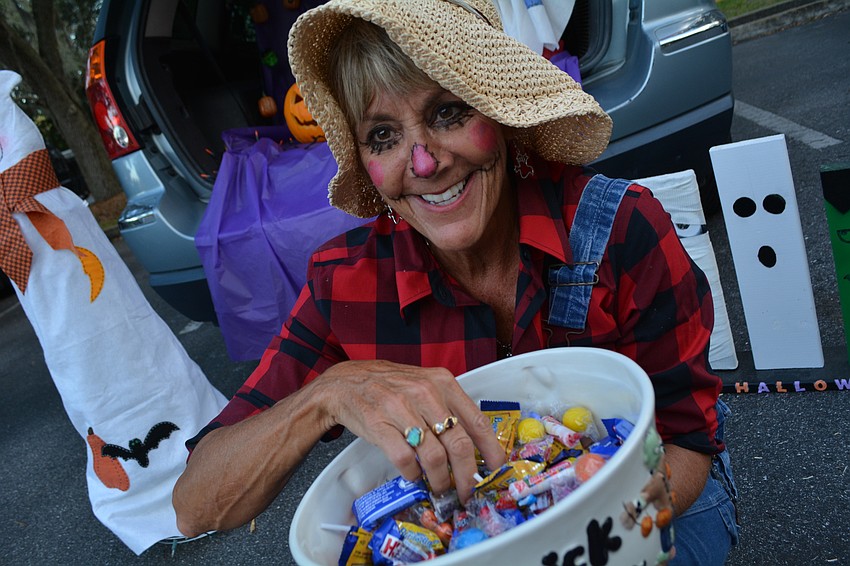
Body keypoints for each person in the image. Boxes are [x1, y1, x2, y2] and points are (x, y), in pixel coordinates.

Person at [173, 0, 739, 562]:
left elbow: (686, 443)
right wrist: (326, 395)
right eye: (383, 136)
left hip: (654, 501)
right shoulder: (342, 284)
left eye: (448, 113)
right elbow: (198, 503)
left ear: (499, 114)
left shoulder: (620, 229)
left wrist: (570, 530)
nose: (422, 163)